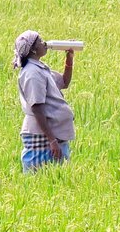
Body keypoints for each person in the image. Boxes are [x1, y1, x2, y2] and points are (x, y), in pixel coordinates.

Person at [13, 30, 75, 172]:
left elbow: (64, 82)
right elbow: (37, 108)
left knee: (57, 179)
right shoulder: (32, 73)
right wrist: (52, 140)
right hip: (42, 136)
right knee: (41, 179)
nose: (44, 43)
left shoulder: (40, 68)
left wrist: (69, 58)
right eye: (40, 41)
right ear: (33, 49)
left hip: (51, 134)